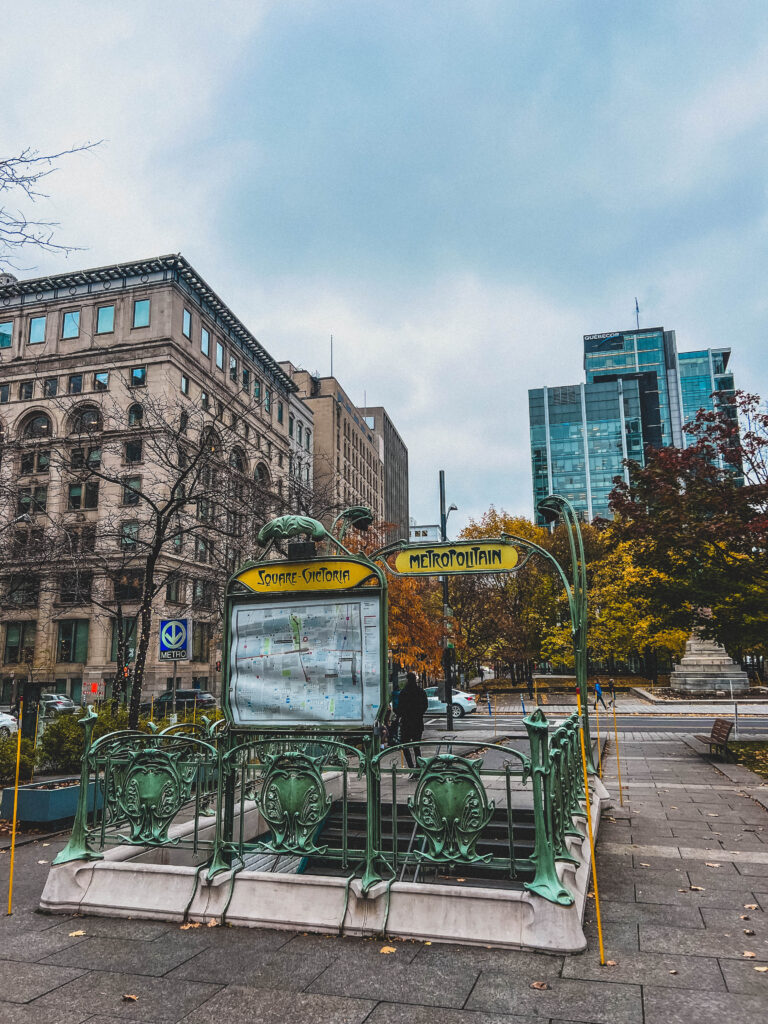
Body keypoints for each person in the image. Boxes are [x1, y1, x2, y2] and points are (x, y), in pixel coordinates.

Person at [397, 671, 428, 770]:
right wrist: (419, 713)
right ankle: (418, 766)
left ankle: (411, 767)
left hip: (406, 723)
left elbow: (400, 708)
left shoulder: (404, 692)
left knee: (405, 745)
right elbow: (425, 706)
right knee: (416, 746)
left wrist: (401, 714)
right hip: (417, 722)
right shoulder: (421, 692)